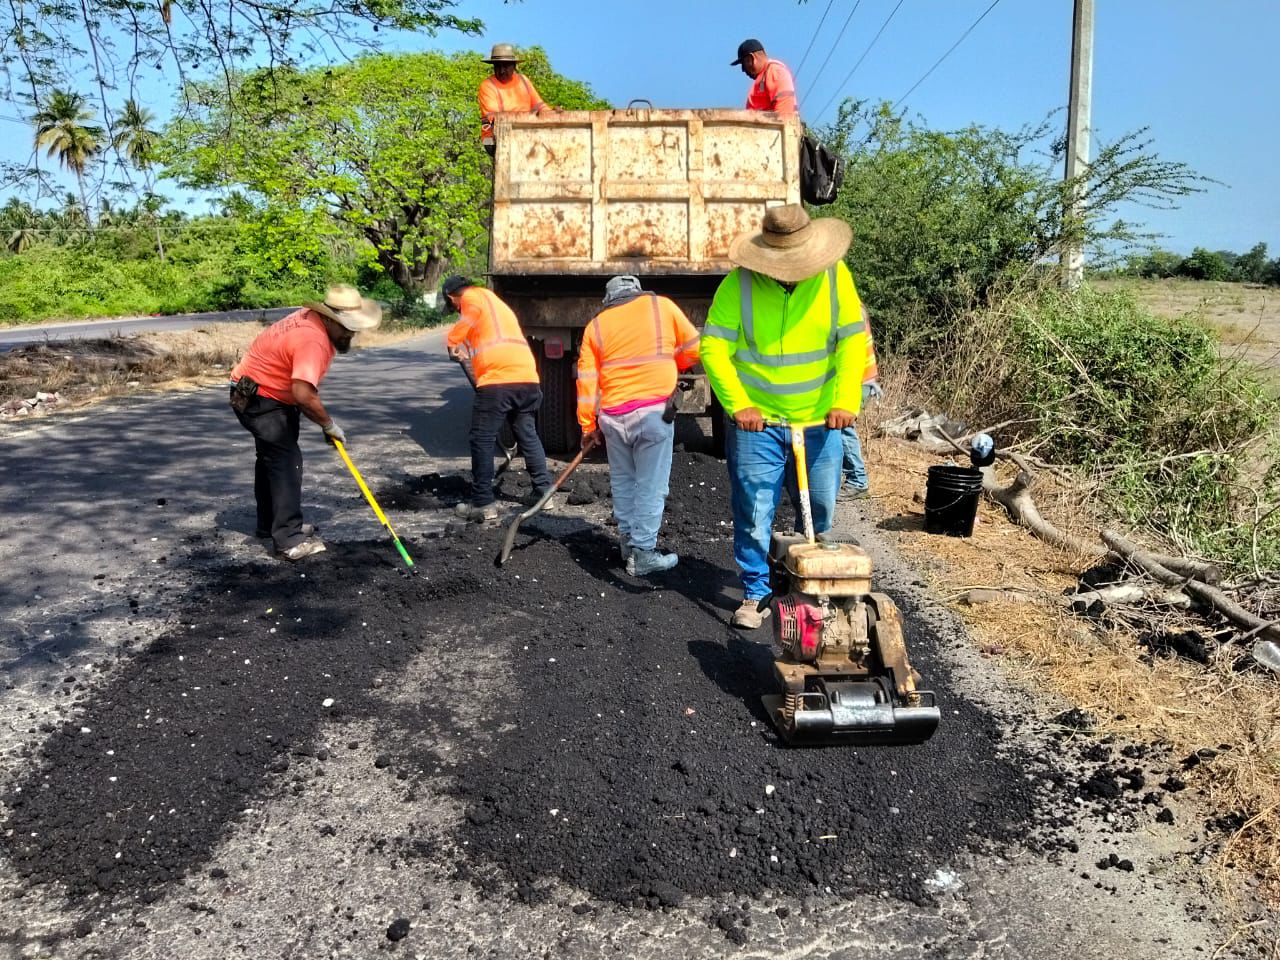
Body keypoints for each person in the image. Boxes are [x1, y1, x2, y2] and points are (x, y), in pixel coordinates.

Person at [701, 205, 867, 629]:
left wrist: (846, 399)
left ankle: (807, 586)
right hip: (760, 425)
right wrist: (739, 406)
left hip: (819, 422)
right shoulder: (738, 286)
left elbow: (852, 342)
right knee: (754, 511)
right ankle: (756, 591)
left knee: (819, 510)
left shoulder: (835, 278)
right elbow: (714, 348)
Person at [228, 285, 381, 561]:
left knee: (270, 459)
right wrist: (328, 425)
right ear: (330, 319)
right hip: (261, 398)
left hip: (257, 392)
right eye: (347, 327)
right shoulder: (313, 340)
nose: (351, 333)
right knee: (286, 461)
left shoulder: (309, 318)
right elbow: (303, 393)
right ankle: (288, 539)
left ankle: (269, 525)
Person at [576, 276, 701, 577]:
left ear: (609, 300)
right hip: (652, 413)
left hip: (612, 417)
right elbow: (694, 349)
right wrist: (673, 362)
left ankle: (627, 545)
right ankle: (644, 553)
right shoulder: (662, 307)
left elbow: (587, 381)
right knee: (651, 485)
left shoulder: (596, 326)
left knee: (624, 481)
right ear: (637, 291)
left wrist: (587, 425)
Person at [442, 275, 553, 522]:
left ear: (452, 297)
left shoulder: (472, 297)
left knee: (481, 437)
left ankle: (482, 502)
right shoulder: (496, 302)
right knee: (527, 433)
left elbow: (468, 318)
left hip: (498, 380)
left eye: (453, 307)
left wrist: (452, 342)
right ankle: (544, 492)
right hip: (527, 377)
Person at [478, 43, 555, 153]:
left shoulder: (523, 80)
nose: (501, 71)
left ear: (514, 66)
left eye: (505, 66)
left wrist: (553, 113)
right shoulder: (487, 85)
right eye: (498, 66)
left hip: (524, 131)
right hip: (493, 138)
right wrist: (530, 116)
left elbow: (539, 105)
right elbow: (494, 118)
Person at [839, 304, 882, 501]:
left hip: (857, 380)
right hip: (862, 379)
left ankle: (858, 480)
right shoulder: (853, 305)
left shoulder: (849, 309)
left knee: (843, 428)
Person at [731, 38, 798, 115]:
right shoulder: (764, 76)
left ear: (752, 58)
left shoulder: (775, 71)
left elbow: (785, 113)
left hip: (777, 126)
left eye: (744, 64)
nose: (743, 70)